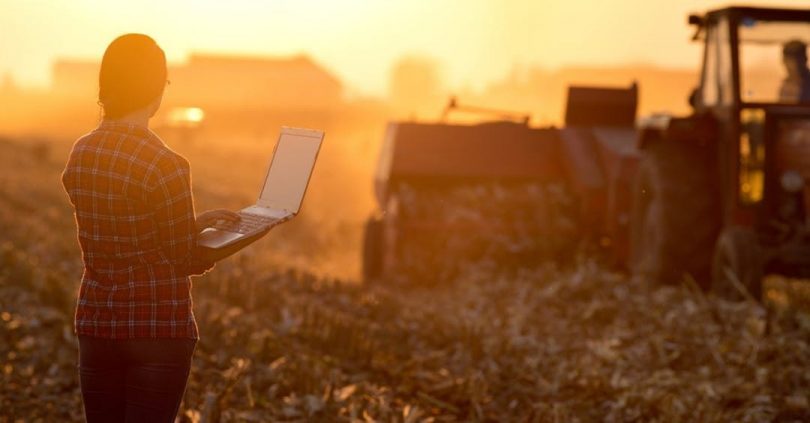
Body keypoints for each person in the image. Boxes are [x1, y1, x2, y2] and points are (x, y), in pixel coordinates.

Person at [61, 34, 240, 422]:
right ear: (157, 91)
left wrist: (192, 224)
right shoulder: (167, 164)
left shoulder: (81, 153)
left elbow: (126, 228)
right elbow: (184, 258)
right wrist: (244, 236)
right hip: (156, 329)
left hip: (96, 323)